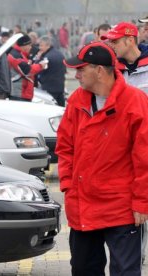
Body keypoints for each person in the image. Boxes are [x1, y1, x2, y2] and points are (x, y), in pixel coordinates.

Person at [57, 41, 148, 276]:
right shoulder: (77, 100)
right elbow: (65, 146)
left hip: (122, 209)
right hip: (83, 205)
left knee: (125, 272)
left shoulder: (135, 102)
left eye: (80, 69)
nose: (75, 75)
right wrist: (68, 184)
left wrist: (141, 202)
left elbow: (144, 157)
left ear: (99, 71)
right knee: (83, 269)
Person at [102, 22, 148, 93]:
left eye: (114, 42)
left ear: (130, 40)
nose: (111, 46)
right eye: (110, 42)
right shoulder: (112, 69)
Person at [7, 34, 46, 101]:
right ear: (24, 45)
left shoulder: (19, 53)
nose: (31, 47)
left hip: (23, 92)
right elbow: (28, 71)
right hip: (19, 93)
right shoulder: (15, 56)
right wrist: (40, 66)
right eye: (29, 45)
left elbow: (25, 65)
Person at [36, 35, 66, 106]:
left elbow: (38, 69)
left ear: (48, 45)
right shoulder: (60, 54)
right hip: (60, 87)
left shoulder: (47, 57)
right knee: (61, 109)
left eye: (41, 46)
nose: (39, 48)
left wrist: (38, 59)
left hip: (49, 88)